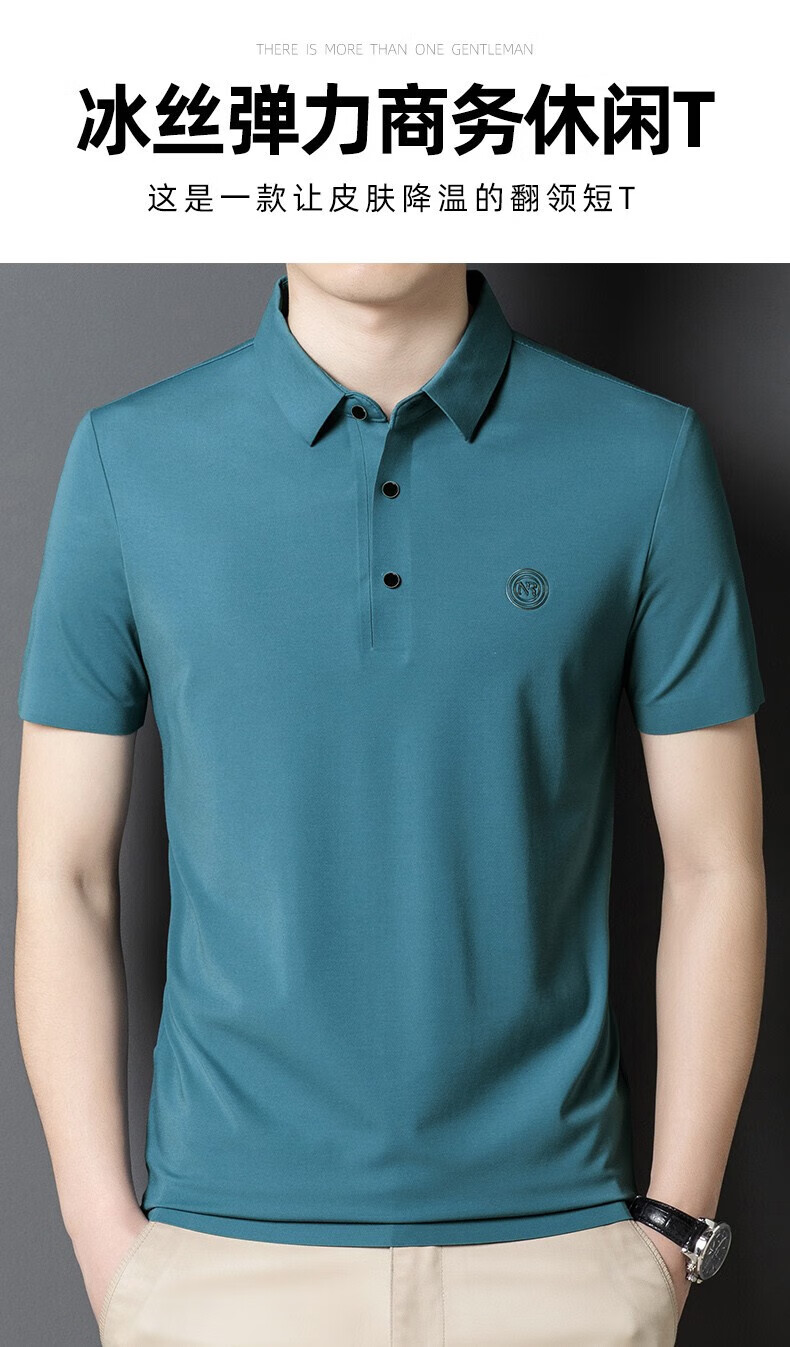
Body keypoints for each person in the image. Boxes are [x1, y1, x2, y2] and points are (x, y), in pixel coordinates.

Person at [14, 264, 766, 1347]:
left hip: (559, 1260)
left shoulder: (643, 456)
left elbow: (716, 865)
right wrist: (107, 1243)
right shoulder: (128, 461)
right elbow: (63, 876)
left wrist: (670, 1236)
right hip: (220, 1267)